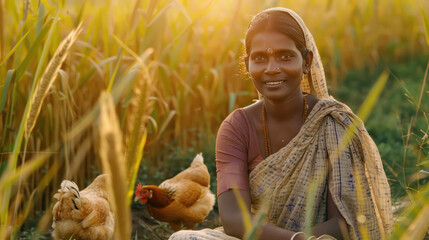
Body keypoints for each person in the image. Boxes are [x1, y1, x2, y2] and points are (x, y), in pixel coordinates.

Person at [170, 7, 393, 240]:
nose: (272, 68)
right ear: (247, 65)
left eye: (285, 56)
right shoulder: (236, 127)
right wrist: (292, 239)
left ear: (307, 61)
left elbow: (344, 222)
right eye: (260, 58)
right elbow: (235, 220)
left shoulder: (334, 124)